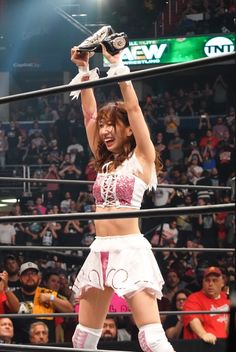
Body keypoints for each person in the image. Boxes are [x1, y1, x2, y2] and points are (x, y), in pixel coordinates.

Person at [70, 42, 175, 352]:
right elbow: (89, 115)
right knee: (82, 338)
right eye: (103, 126)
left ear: (128, 130)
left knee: (152, 338)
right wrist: (84, 69)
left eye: (111, 125)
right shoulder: (103, 162)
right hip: (99, 250)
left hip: (129, 250)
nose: (104, 131)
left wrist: (118, 66)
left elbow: (134, 109)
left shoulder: (142, 158)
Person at [183, 266, 230, 344]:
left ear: (222, 283)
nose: (211, 284)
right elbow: (193, 320)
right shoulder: (193, 298)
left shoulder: (227, 298)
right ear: (202, 282)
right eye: (207, 280)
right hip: (205, 345)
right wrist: (203, 334)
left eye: (215, 280)